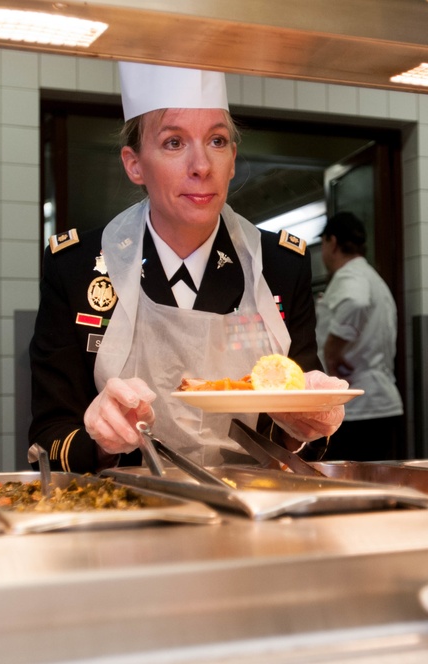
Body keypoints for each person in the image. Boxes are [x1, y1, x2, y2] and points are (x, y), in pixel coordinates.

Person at [28, 62, 346, 473]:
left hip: (251, 511)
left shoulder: (279, 266)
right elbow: (48, 435)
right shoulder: (76, 269)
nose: (201, 166)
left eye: (216, 140)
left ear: (232, 159)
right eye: (174, 143)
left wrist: (306, 427)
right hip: (126, 513)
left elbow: (294, 417)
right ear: (134, 164)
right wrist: (102, 442)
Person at [316, 212, 404, 461]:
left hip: (359, 409)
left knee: (347, 490)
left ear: (332, 242)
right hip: (377, 403)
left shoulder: (350, 276)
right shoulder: (371, 276)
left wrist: (333, 353)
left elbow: (355, 302)